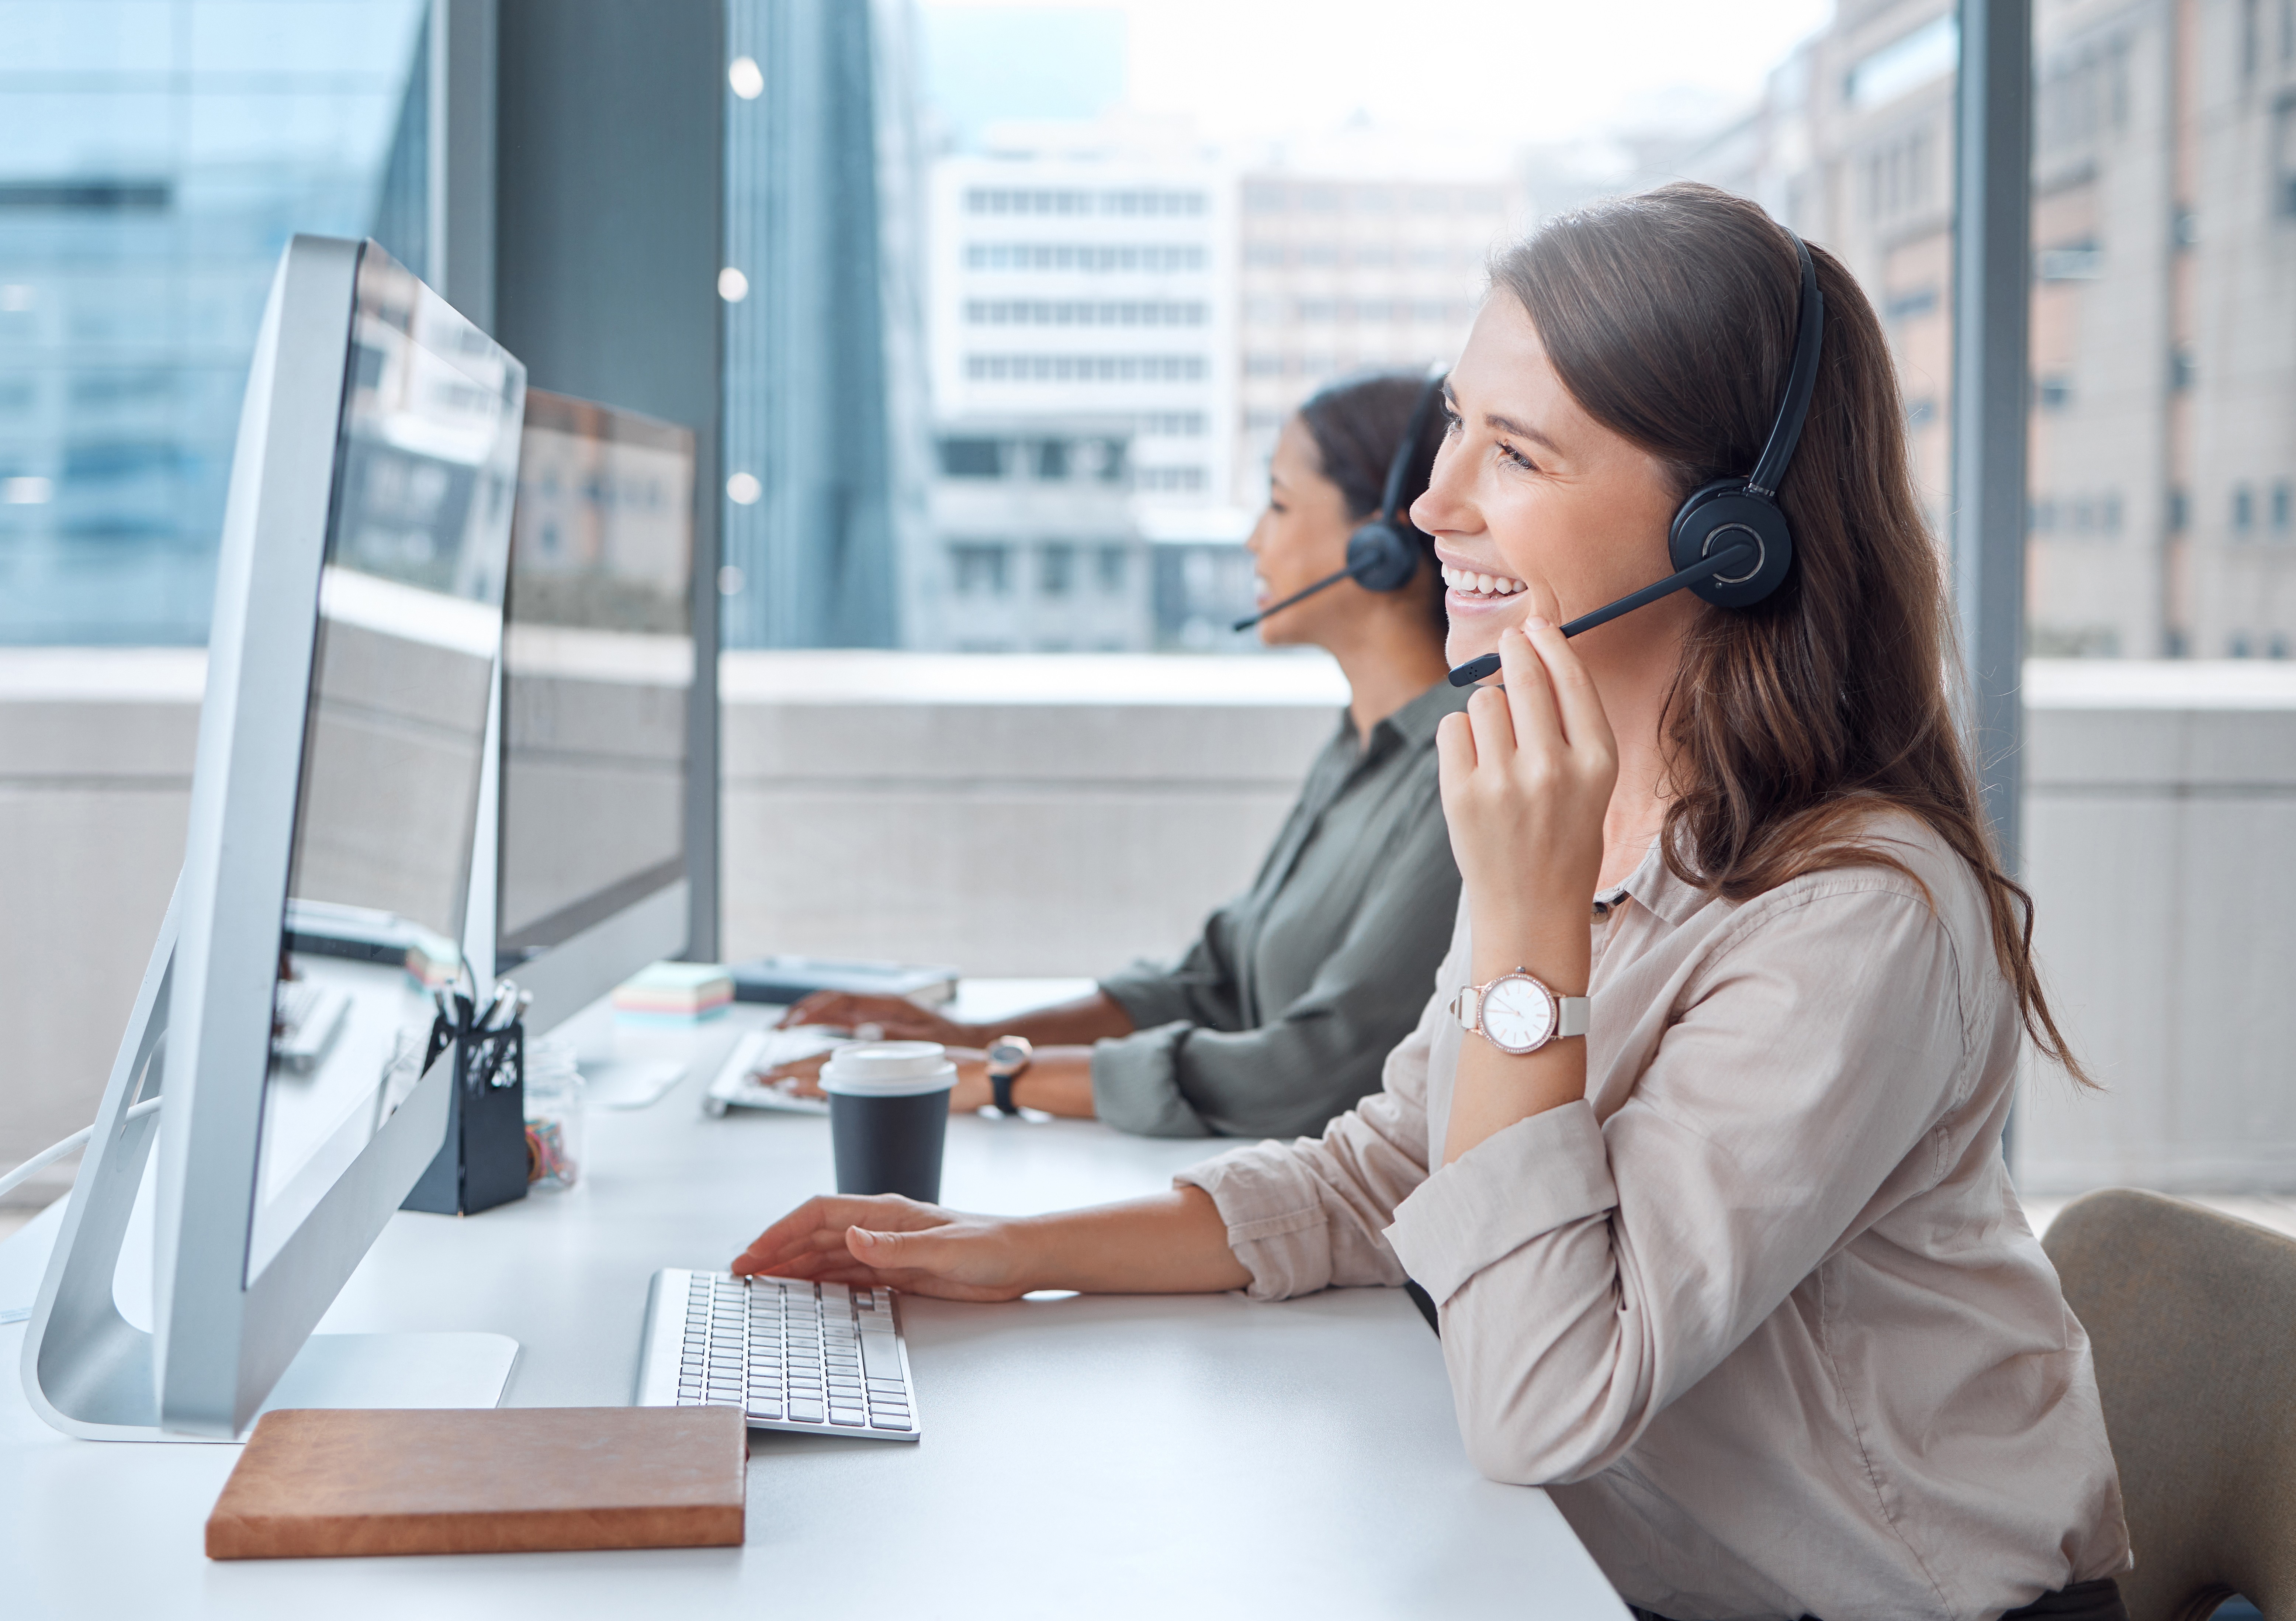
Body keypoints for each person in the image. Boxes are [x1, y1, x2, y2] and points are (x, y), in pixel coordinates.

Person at [730, 184, 2133, 1621]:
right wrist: (1005, 1255)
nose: (1428, 504)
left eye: (1512, 454)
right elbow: (1393, 1170)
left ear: (1723, 534)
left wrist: (1526, 922)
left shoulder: (1852, 917)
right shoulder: (1571, 809)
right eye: (1454, 422)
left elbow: (1543, 1397)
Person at [766, 371, 1469, 1139]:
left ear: (1383, 540)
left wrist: (997, 1079)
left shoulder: (1459, 773)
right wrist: (965, 1040)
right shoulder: (1356, 747)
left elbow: (1315, 1070)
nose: (1251, 540)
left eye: (1276, 503)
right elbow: (1212, 983)